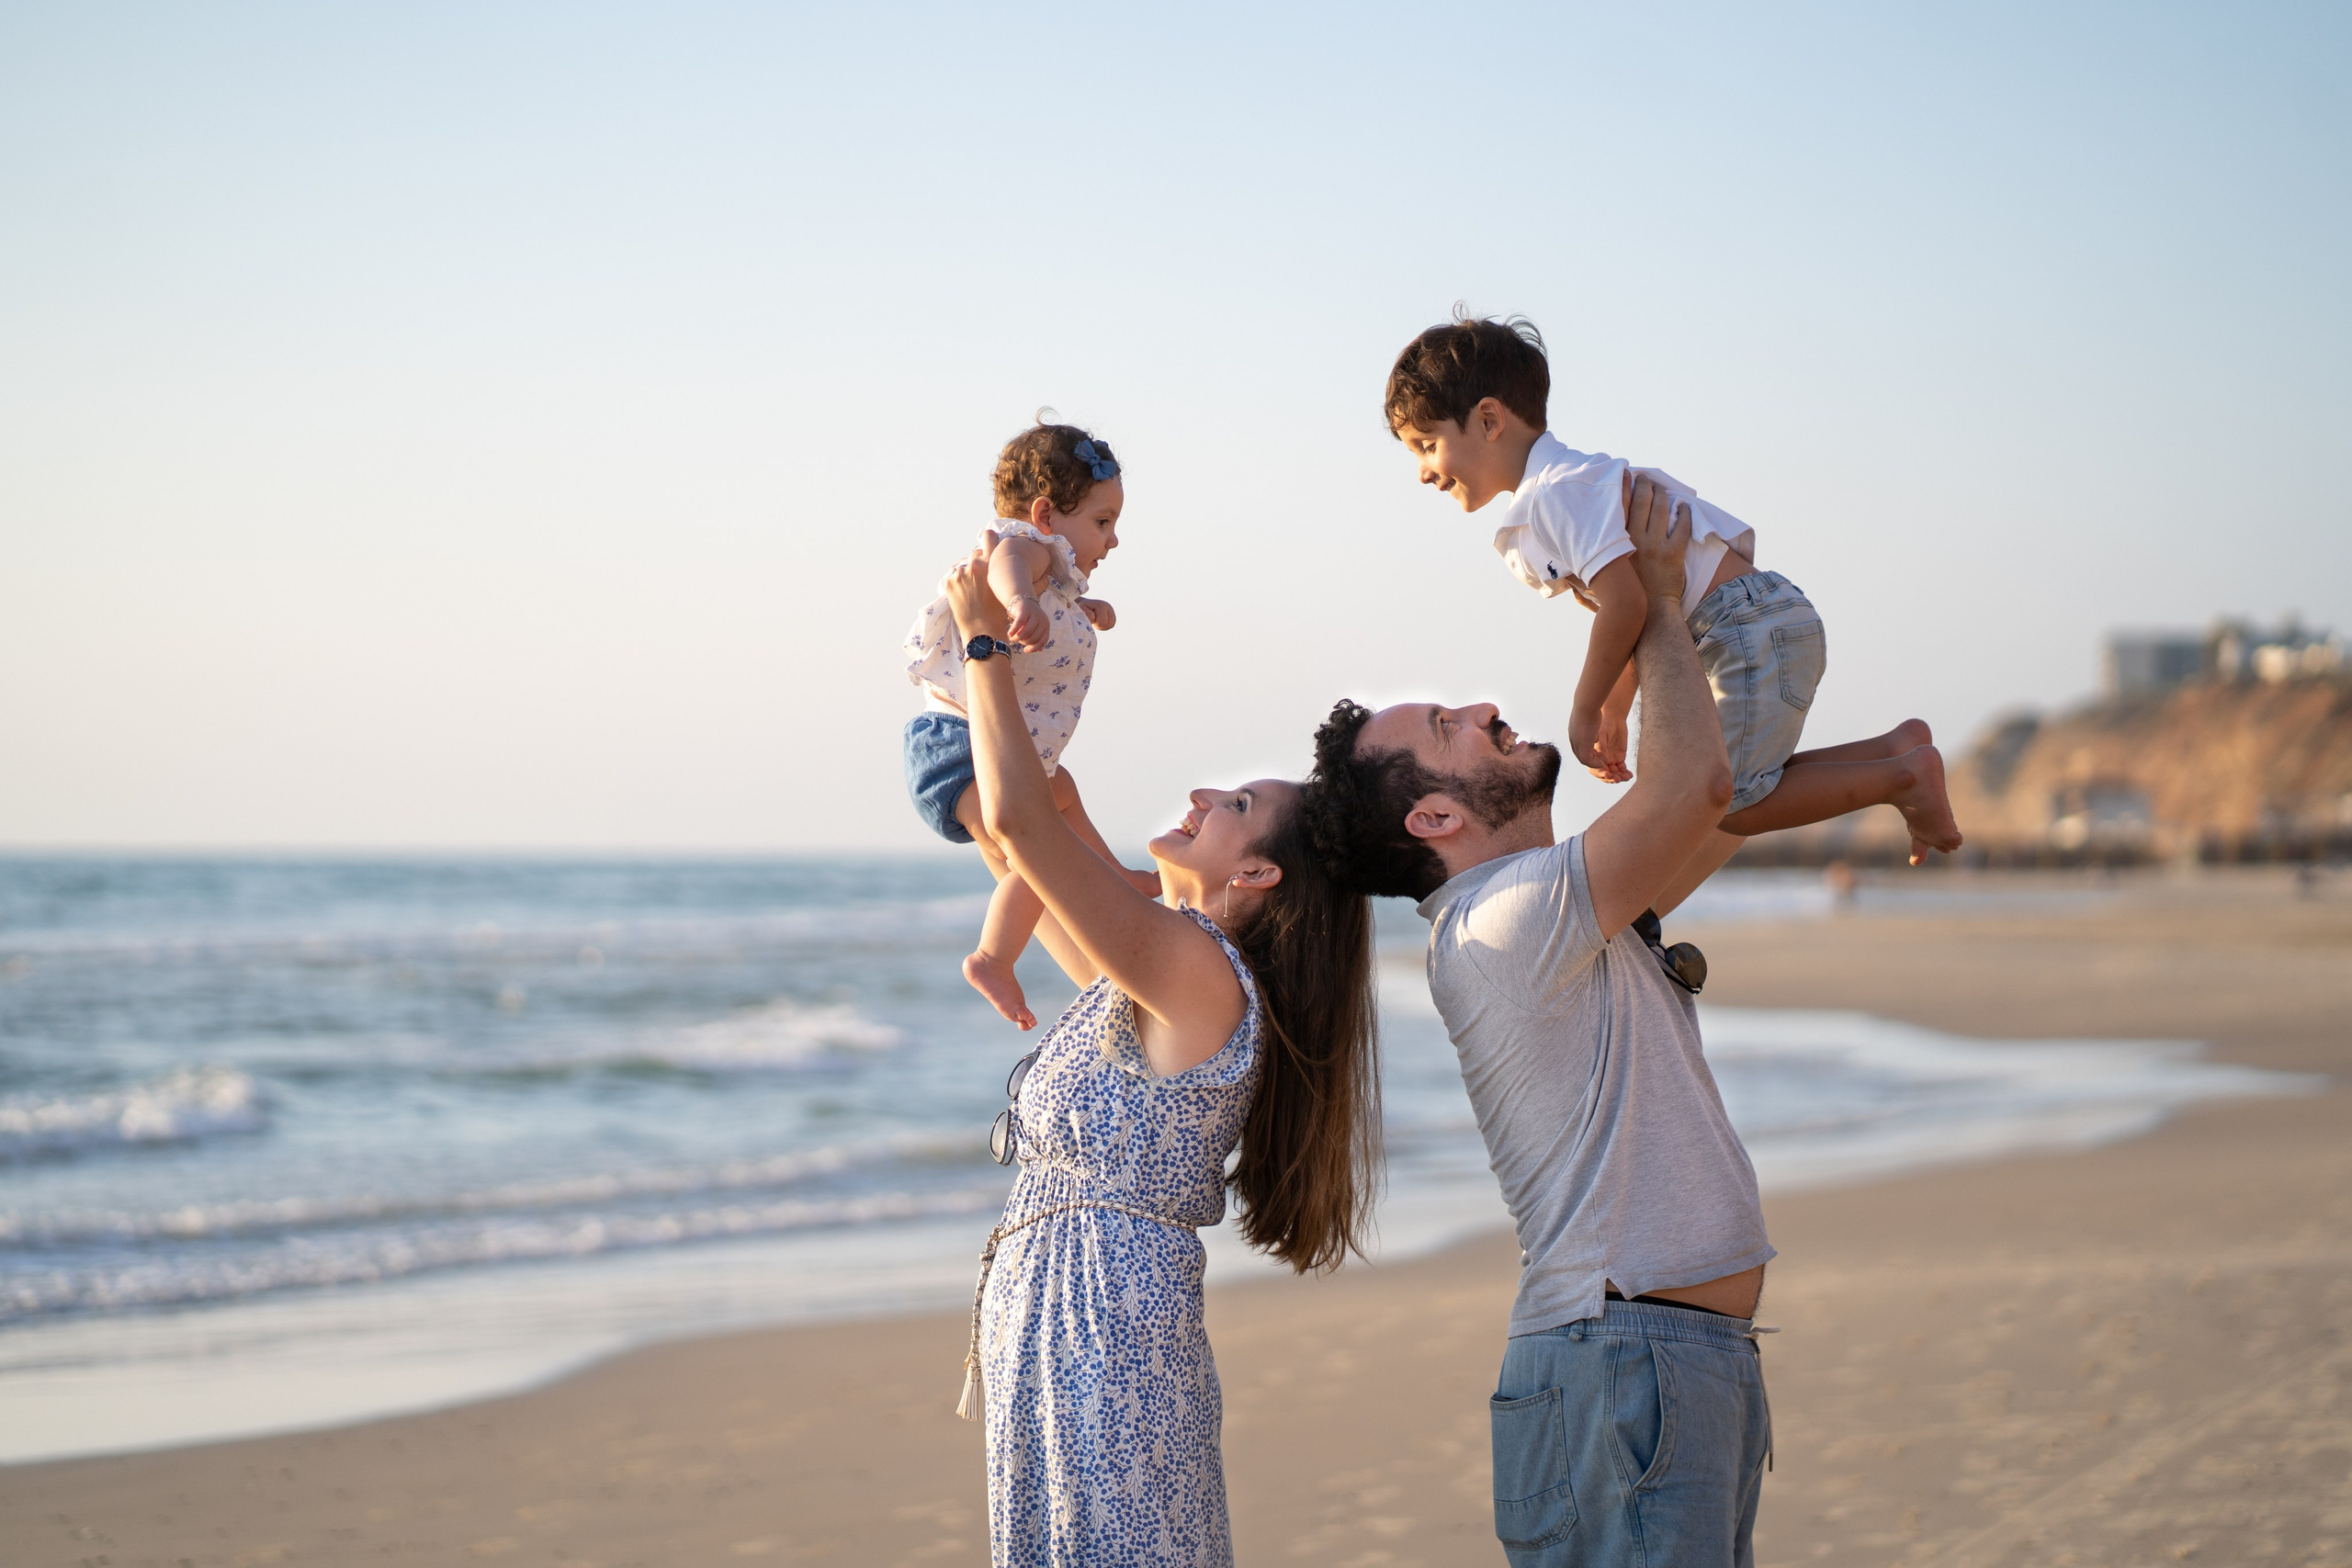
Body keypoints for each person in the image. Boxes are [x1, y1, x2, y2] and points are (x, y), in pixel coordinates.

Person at [1300, 478, 1774, 1566]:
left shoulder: (1550, 911)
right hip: (1626, 1364)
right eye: (1445, 727)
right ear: (1434, 816)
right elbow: (1697, 788)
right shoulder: (1505, 920)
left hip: (1654, 1362)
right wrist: (1648, 602)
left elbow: (1727, 797)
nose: (1476, 708)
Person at [938, 538, 1381, 1568]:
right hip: (1069, 1317)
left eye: (1230, 807)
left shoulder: (1202, 976)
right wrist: (1025, 660)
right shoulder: (1152, 977)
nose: (1199, 797)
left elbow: (1021, 823)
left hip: (1103, 1327)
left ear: (1261, 872)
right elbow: (1029, 831)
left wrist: (983, 645)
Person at [1385, 311, 1962, 911]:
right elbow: (1631, 606)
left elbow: (1630, 604)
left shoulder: (1555, 496)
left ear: (1487, 419)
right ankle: (1895, 749)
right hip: (1756, 618)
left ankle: (1904, 775)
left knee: (1732, 800)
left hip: (1737, 629)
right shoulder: (1579, 482)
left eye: (1428, 445)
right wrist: (1617, 705)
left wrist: (1584, 710)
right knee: (1754, 775)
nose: (1424, 471)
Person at [902, 420, 1156, 1030]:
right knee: (1039, 847)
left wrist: (1082, 606)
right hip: (960, 746)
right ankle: (993, 955)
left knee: (1061, 794)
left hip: (973, 750)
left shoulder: (1056, 578)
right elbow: (1010, 564)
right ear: (1045, 514)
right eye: (1102, 521)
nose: (1113, 538)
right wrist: (1020, 603)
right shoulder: (1025, 549)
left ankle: (1109, 872)